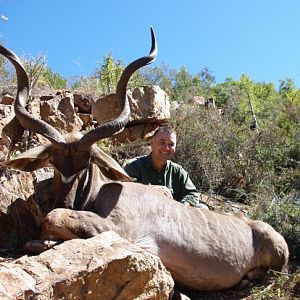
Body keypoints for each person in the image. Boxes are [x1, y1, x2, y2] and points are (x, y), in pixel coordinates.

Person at [124, 125, 207, 208]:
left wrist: (183, 206)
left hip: (171, 215)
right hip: (142, 212)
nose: (166, 148)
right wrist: (150, 189)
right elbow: (125, 190)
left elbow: (192, 194)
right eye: (162, 142)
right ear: (151, 143)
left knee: (202, 208)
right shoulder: (134, 166)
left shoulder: (177, 171)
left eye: (171, 144)